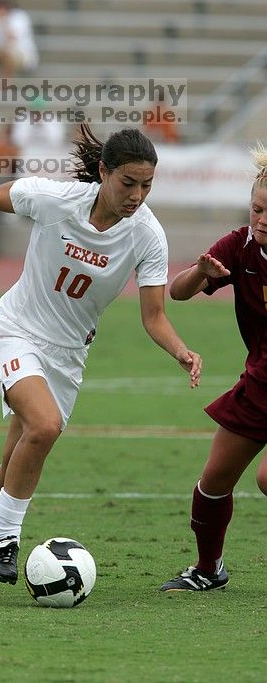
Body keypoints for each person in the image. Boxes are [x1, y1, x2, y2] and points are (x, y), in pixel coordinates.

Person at [0, 124, 202, 594]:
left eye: (146, 185)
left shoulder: (148, 236)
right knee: (45, 426)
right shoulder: (58, 200)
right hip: (13, 331)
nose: (137, 195)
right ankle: (5, 543)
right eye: (127, 183)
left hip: (68, 357)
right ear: (103, 172)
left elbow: (153, 316)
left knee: (18, 455)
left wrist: (181, 350)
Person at [160, 144, 267, 593]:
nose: (262, 220)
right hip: (261, 384)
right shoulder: (239, 245)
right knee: (213, 482)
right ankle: (208, 569)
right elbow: (177, 292)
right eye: (257, 208)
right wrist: (202, 271)